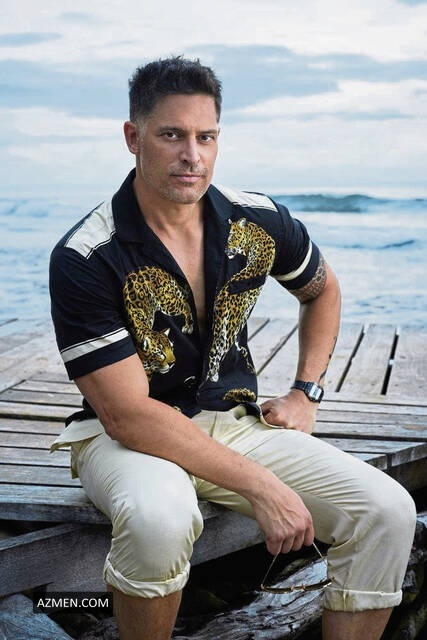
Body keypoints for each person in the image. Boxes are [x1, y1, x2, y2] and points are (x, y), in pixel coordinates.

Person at [49, 56, 416, 640]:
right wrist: (262, 487)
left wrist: (306, 392)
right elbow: (127, 415)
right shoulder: (88, 255)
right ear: (133, 137)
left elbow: (322, 289)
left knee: (388, 512)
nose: (191, 155)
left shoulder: (255, 220)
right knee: (159, 520)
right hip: (125, 440)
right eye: (171, 135)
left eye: (206, 136)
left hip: (236, 422)